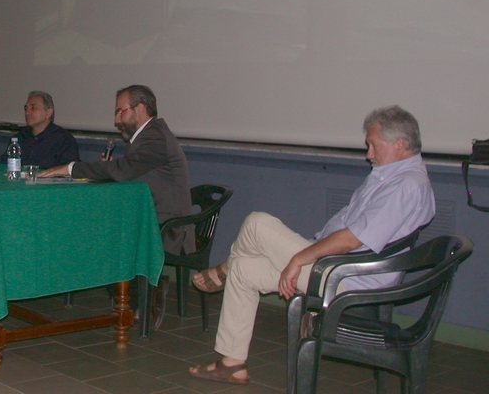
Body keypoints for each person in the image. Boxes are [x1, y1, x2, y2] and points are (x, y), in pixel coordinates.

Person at [188, 105, 435, 385]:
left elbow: (352, 239)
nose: (369, 154)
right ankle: (232, 365)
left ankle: (224, 268)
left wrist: (298, 259)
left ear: (400, 145)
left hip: (344, 276)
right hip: (337, 266)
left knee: (257, 223)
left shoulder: (406, 186)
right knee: (244, 269)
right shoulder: (391, 176)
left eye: (374, 146)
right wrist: (307, 251)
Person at [39, 85, 195, 328]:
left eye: (120, 112)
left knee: (98, 237)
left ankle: (144, 295)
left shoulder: (154, 137)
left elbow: (125, 170)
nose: (115, 120)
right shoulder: (147, 136)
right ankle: (134, 297)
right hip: (150, 217)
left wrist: (70, 168)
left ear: (140, 109)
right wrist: (108, 171)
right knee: (95, 232)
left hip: (169, 227)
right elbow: (130, 171)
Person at [1, 91, 79, 169]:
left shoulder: (64, 139)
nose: (27, 113)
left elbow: (69, 170)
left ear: (48, 113)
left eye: (33, 108)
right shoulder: (19, 137)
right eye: (26, 108)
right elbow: (5, 165)